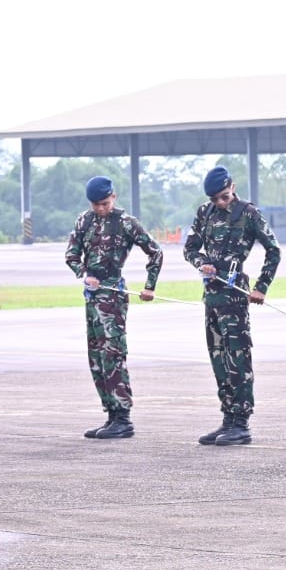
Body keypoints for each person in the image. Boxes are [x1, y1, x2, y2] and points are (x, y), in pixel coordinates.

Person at [183, 165, 280, 446]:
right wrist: (202, 263)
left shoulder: (248, 213)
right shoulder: (205, 213)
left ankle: (241, 422)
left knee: (237, 358)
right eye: (216, 199)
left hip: (236, 296)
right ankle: (227, 418)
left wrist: (262, 287)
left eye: (224, 197)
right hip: (212, 295)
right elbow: (190, 248)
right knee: (218, 358)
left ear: (233, 187)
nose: (220, 203)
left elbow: (273, 250)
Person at [64, 176, 163, 439]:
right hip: (93, 296)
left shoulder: (126, 223)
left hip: (114, 296)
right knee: (96, 357)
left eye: (105, 203)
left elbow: (155, 252)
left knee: (113, 355)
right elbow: (71, 254)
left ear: (114, 197)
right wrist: (83, 273)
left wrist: (149, 285)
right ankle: (110, 414)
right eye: (96, 204)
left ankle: (123, 417)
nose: (100, 209)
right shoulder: (84, 221)